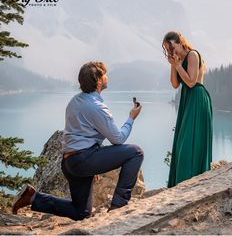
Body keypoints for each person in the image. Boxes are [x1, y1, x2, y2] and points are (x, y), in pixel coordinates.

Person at [12, 61, 144, 220]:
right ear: (99, 81)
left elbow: (83, 134)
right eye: (104, 74)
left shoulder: (74, 101)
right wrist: (131, 118)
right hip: (83, 159)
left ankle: (33, 197)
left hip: (69, 162)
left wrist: (92, 167)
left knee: (81, 212)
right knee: (136, 152)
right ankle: (118, 205)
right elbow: (118, 138)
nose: (107, 76)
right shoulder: (97, 107)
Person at [162, 31, 212, 188]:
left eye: (171, 47)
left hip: (197, 98)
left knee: (191, 140)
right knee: (183, 142)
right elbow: (175, 84)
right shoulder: (179, 59)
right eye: (167, 49)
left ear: (179, 42)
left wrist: (177, 65)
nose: (171, 51)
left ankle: (193, 181)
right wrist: (173, 65)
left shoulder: (192, 55)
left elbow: (191, 82)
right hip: (187, 100)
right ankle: (181, 182)